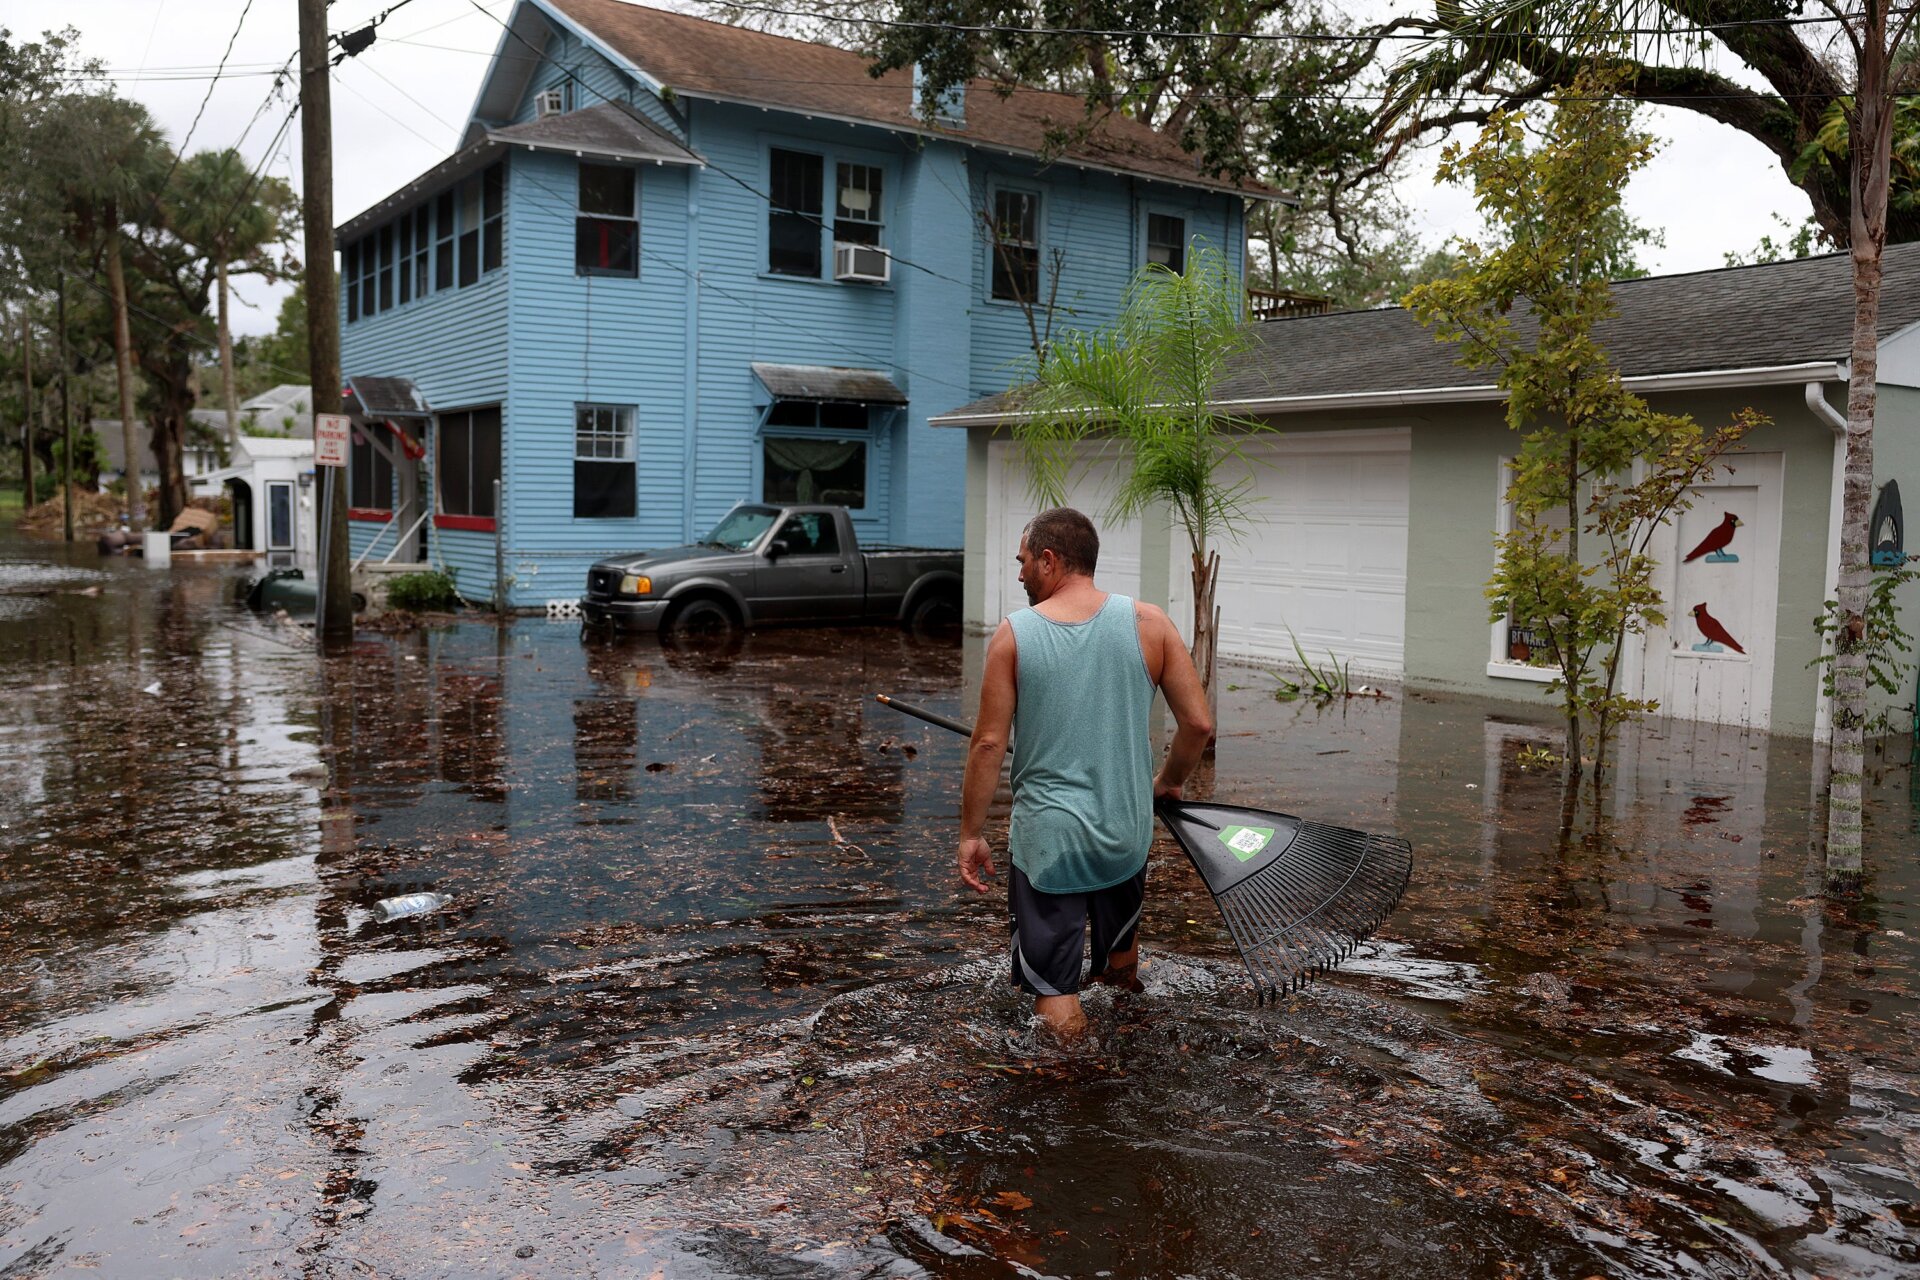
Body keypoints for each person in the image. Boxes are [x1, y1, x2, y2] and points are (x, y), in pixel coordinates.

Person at [957, 507, 1213, 1039]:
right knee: (1120, 967)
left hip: (1051, 844)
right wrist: (1165, 782)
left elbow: (987, 744)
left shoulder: (1014, 635)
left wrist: (971, 834)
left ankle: (1078, 1092)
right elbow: (1198, 724)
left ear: (1049, 560)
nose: (1021, 573)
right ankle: (1128, 1058)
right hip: (1125, 833)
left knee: (1056, 991)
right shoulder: (1151, 624)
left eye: (1024, 561)